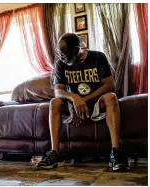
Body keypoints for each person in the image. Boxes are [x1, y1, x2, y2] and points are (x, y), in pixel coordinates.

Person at [36, 33, 129, 171]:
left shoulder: (98, 57)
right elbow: (58, 91)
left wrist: (84, 100)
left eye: (68, 55)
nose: (65, 59)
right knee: (54, 102)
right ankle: (54, 152)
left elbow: (110, 86)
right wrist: (75, 98)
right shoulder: (60, 64)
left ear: (78, 48)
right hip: (74, 102)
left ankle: (116, 152)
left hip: (97, 101)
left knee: (111, 97)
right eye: (62, 55)